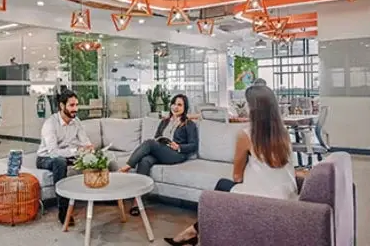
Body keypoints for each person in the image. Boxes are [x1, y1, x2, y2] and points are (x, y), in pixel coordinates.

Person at [164, 85, 297, 245]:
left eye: (246, 103)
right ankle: (193, 231)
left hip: (262, 199)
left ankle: (193, 232)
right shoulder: (284, 133)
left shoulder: (246, 134)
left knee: (220, 188)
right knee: (222, 193)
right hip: (288, 195)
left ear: (252, 108)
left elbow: (237, 176)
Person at [119, 94, 198, 216]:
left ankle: (126, 167)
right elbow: (157, 137)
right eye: (174, 104)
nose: (176, 107)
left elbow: (193, 145)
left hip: (177, 154)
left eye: (179, 105)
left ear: (185, 107)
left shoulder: (189, 124)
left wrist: (179, 147)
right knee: (145, 161)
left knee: (149, 143)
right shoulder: (164, 121)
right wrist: (159, 142)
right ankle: (137, 202)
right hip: (162, 151)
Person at [36, 90, 93, 225]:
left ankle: (98, 197)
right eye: (72, 105)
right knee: (60, 162)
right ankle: (63, 210)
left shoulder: (76, 121)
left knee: (93, 158)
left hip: (67, 155)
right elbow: (53, 152)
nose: (75, 109)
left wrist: (89, 149)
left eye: (76, 105)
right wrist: (76, 150)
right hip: (45, 158)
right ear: (62, 106)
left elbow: (85, 142)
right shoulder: (50, 124)